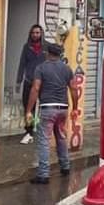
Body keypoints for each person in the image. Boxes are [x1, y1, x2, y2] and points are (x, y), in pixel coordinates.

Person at [25, 43, 78, 184]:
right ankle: (65, 167)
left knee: (44, 140)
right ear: (60, 54)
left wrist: (29, 110)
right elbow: (73, 88)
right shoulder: (67, 69)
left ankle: (43, 174)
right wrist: (75, 108)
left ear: (47, 53)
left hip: (48, 108)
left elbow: (35, 88)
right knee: (61, 137)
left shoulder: (41, 68)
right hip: (63, 108)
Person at [16, 24, 46, 144]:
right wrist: (18, 81)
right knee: (28, 108)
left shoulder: (46, 47)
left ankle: (42, 131)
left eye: (37, 33)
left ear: (41, 34)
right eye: (33, 33)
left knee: (44, 108)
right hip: (29, 82)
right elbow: (22, 64)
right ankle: (29, 132)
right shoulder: (26, 47)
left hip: (44, 83)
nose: (35, 35)